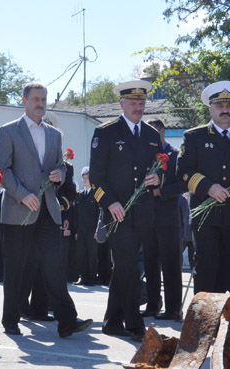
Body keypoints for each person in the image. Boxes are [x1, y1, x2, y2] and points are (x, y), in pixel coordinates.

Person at [0, 82, 91, 338]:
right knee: (15, 268)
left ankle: (67, 320)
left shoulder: (54, 134)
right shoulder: (8, 131)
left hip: (48, 210)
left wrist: (60, 173)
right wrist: (22, 194)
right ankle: (11, 320)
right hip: (18, 209)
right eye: (36, 99)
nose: (41, 103)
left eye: (44, 99)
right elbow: (2, 170)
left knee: (54, 266)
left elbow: (57, 166)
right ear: (24, 100)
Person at [88, 80, 162, 341]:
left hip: (142, 211)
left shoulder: (153, 136)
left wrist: (157, 180)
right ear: (122, 105)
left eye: (141, 104)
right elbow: (97, 176)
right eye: (133, 103)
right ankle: (134, 322)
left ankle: (111, 321)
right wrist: (110, 203)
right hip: (116, 212)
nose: (138, 108)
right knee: (128, 264)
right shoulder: (106, 132)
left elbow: (159, 171)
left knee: (124, 267)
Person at [177, 81, 230, 295]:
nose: (225, 110)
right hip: (206, 216)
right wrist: (209, 187)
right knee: (206, 265)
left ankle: (228, 319)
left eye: (229, 106)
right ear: (211, 108)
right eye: (220, 106)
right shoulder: (194, 136)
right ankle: (203, 318)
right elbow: (183, 171)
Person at [142, 118, 184, 321]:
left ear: (162, 132)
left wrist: (161, 192)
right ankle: (152, 304)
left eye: (155, 132)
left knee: (171, 265)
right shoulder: (146, 154)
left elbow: (183, 185)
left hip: (168, 218)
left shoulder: (175, 155)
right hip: (148, 218)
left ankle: (173, 308)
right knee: (150, 264)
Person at [73, 166, 98, 286]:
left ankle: (92, 278)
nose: (84, 180)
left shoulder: (96, 195)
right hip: (81, 230)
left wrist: (97, 230)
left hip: (92, 230)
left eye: (87, 177)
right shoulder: (80, 195)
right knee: (81, 254)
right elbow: (77, 215)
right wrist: (77, 231)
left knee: (92, 255)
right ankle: (83, 277)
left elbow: (98, 214)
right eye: (83, 177)